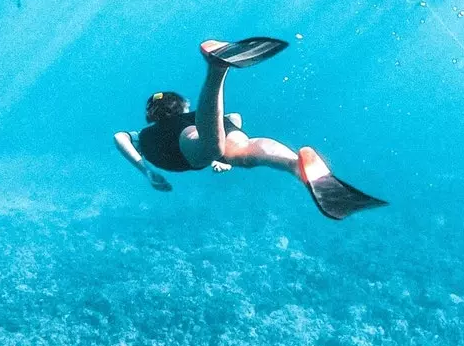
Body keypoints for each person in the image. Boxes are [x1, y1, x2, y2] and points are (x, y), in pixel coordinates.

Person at [112, 37, 386, 220]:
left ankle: (217, 69)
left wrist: (146, 170)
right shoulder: (193, 115)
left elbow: (119, 136)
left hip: (182, 142)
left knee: (210, 147)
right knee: (243, 150)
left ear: (152, 114)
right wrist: (223, 153)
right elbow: (235, 117)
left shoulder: (148, 133)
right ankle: (295, 165)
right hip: (211, 123)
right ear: (182, 107)